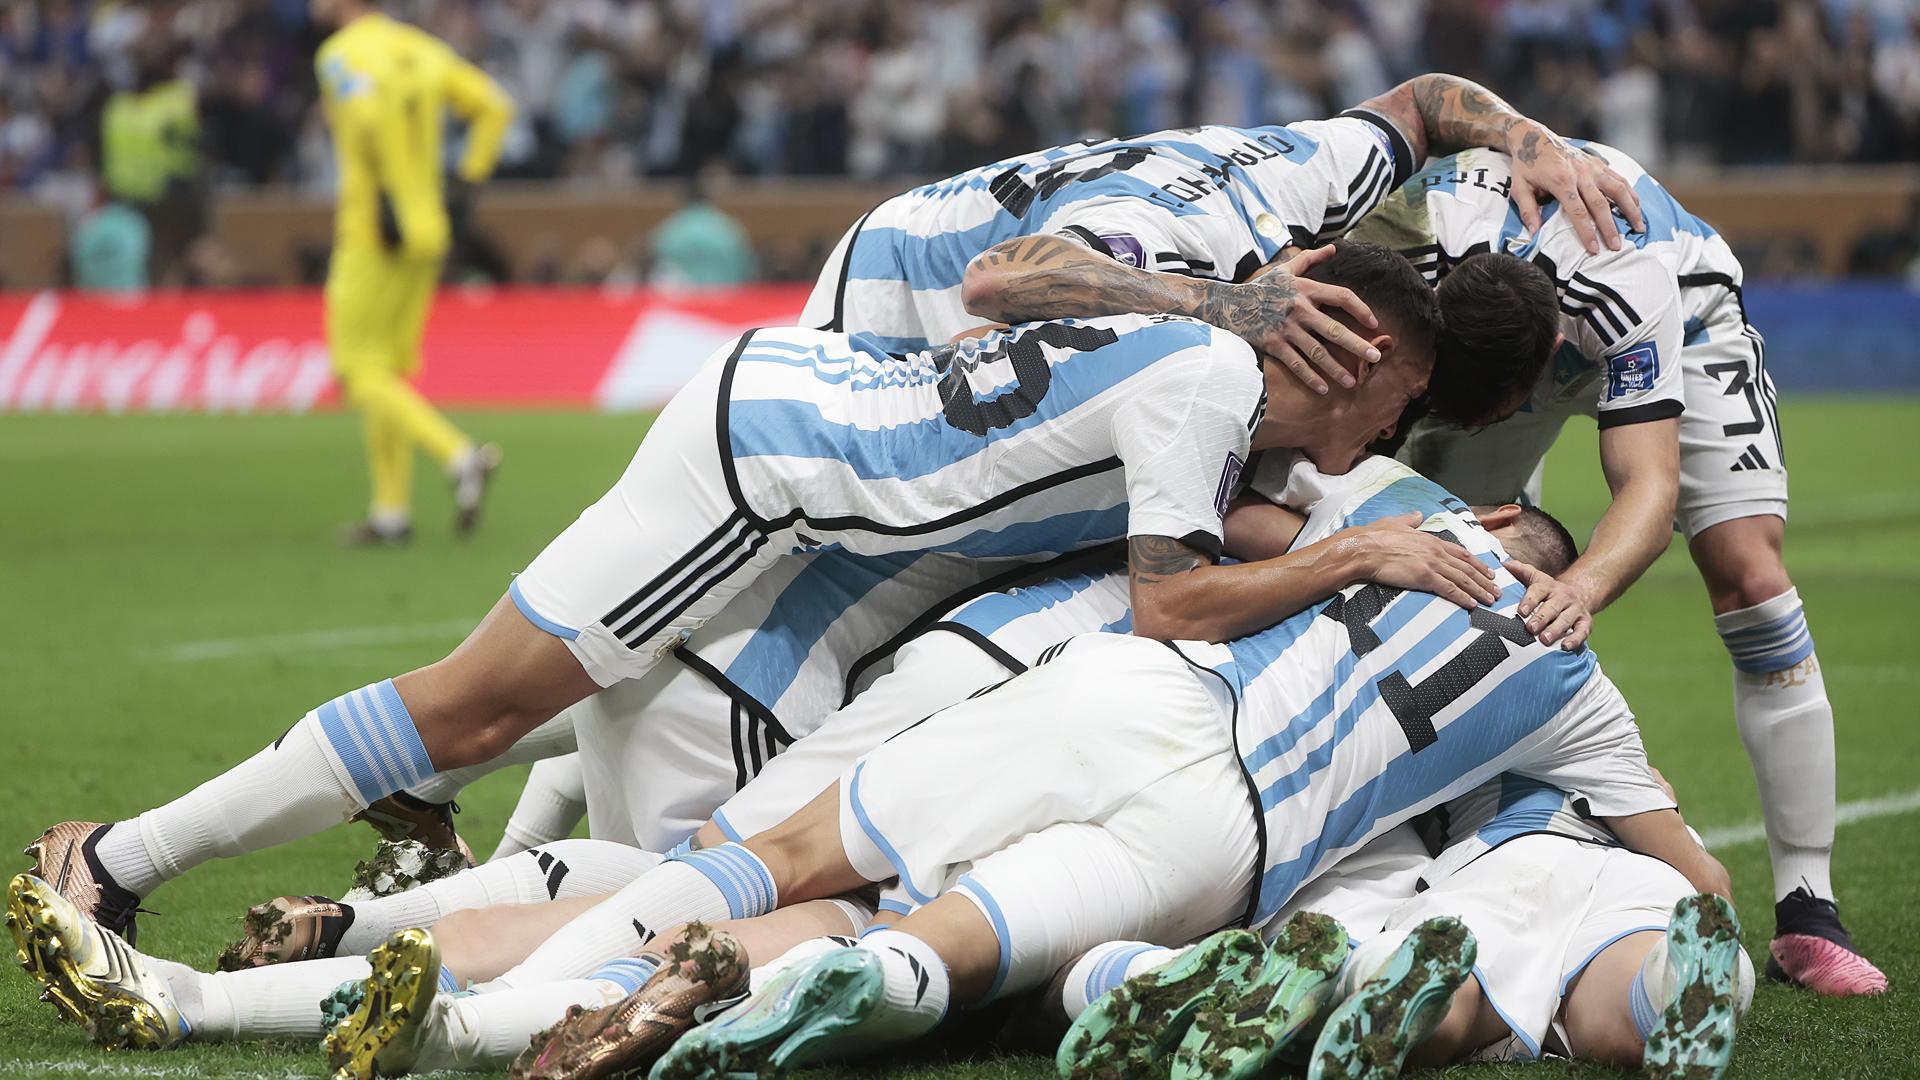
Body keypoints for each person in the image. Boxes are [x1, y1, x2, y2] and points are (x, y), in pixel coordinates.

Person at [24, 242, 1474, 945]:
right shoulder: (1216, 376)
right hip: (774, 474)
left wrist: (1213, 303)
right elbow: (1170, 603)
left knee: (629, 785)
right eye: (1398, 400)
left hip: (789, 430)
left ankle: (372, 894)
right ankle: (119, 864)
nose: (1391, 436)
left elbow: (997, 283)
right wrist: (1359, 549)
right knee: (483, 712)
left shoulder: (1200, 334)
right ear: (1350, 355)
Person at [1351, 142, 1887, 996]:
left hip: (1681, 305)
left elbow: (1648, 482)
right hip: (1489, 323)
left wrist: (1582, 588)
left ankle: (1808, 909)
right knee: (1447, 573)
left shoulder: (1622, 282)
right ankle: (1458, 842)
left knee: (1750, 577)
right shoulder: (1396, 254)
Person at [805, 71, 1641, 402]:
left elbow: (1422, 103)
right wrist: (1231, 305)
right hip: (895, 290)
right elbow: (1000, 281)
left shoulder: (1311, 173)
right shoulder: (1165, 240)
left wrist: (1530, 139)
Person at [1065, 774, 1754, 1080]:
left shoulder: (1456, 705)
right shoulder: (1609, 735)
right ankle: (1672, 986)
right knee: (1627, 1008)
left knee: (1457, 1000)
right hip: (1641, 878)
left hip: (1494, 870)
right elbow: (1705, 875)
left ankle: (1360, 983)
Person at [310, 0, 513, 547]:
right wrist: (466, 185)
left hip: (374, 232)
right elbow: (494, 107)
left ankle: (459, 456)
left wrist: (387, 201)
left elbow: (369, 118)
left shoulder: (340, 53)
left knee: (357, 371)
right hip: (428, 229)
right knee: (387, 372)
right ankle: (391, 513)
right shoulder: (424, 49)